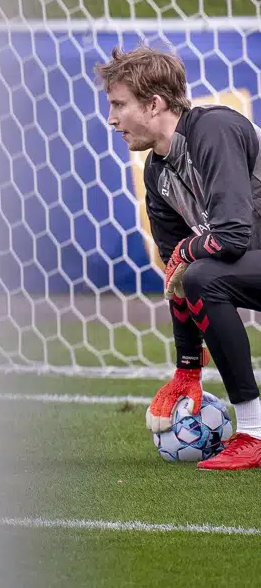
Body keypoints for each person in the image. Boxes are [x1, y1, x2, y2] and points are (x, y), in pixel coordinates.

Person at [97, 45, 261, 470]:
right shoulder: (157, 172)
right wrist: (187, 368)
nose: (111, 118)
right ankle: (252, 434)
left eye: (119, 104)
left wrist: (188, 251)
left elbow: (234, 237)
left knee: (202, 274)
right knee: (197, 276)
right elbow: (178, 276)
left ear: (154, 104)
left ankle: (253, 433)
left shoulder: (215, 129)